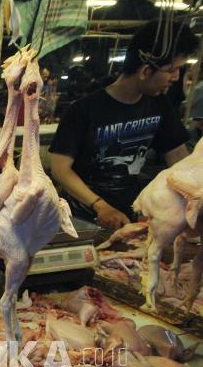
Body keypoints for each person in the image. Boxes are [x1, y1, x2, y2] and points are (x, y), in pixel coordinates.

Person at [49, 21, 199, 230]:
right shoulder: (84, 110)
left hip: (129, 216)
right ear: (145, 71)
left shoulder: (159, 105)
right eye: (172, 70)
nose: (175, 78)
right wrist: (100, 205)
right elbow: (60, 169)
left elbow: (178, 159)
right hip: (79, 220)